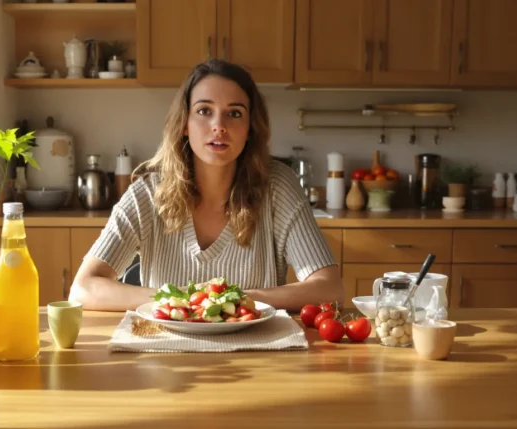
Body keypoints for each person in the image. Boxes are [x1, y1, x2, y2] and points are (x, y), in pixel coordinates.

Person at [68, 59, 343, 312]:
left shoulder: (278, 186)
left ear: (250, 128)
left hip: (254, 345)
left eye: (234, 113)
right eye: (204, 111)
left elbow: (330, 289)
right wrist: (181, 299)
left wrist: (231, 299)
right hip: (165, 347)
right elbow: (82, 289)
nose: (218, 126)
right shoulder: (149, 192)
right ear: (184, 123)